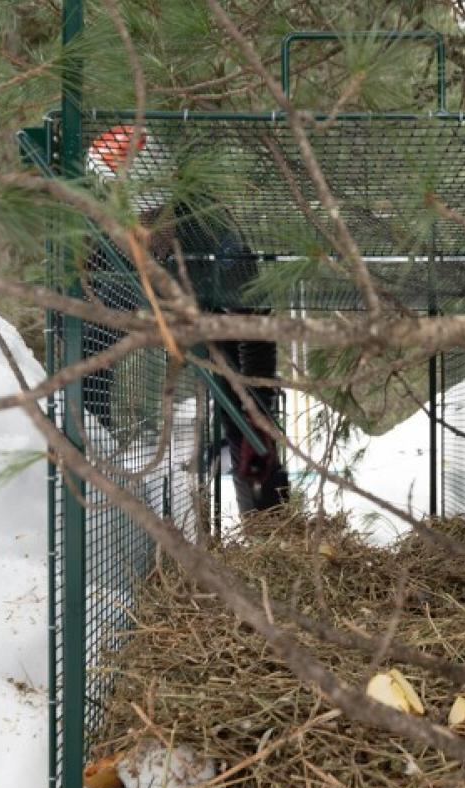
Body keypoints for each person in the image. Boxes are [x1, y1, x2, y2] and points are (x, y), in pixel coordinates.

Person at [85, 126, 290, 516]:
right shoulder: (101, 247)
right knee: (91, 348)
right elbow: (83, 326)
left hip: (209, 317)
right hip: (135, 312)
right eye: (136, 216)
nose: (147, 229)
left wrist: (258, 416)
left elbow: (255, 322)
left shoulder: (212, 228)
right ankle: (96, 459)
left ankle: (269, 525)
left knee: (242, 414)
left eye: (154, 214)